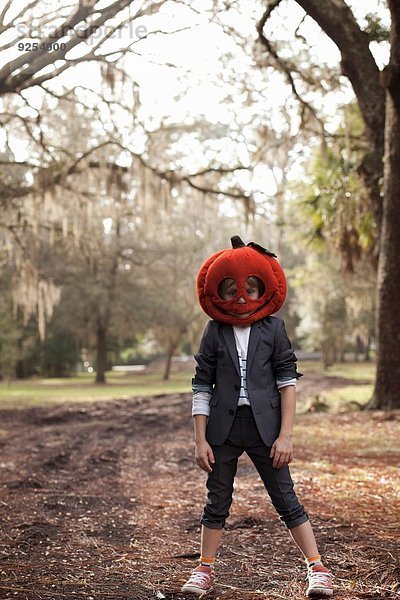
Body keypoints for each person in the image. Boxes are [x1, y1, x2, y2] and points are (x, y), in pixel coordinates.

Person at [181, 236, 333, 597]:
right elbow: (202, 386)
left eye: (250, 287)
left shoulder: (274, 328)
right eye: (233, 288)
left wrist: (286, 435)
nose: (242, 296)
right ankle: (205, 569)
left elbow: (287, 383)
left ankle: (318, 568)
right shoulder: (214, 331)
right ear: (222, 289)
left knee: (286, 499)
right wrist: (201, 440)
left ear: (262, 287)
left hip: (267, 430)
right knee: (216, 500)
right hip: (223, 430)